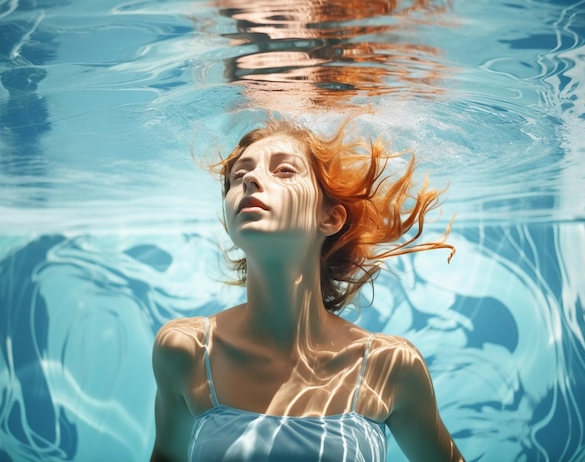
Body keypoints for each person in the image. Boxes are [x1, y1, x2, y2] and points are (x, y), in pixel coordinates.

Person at [150, 117, 464, 461]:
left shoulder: (390, 365)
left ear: (330, 218)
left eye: (284, 170)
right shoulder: (186, 352)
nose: (250, 180)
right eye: (238, 176)